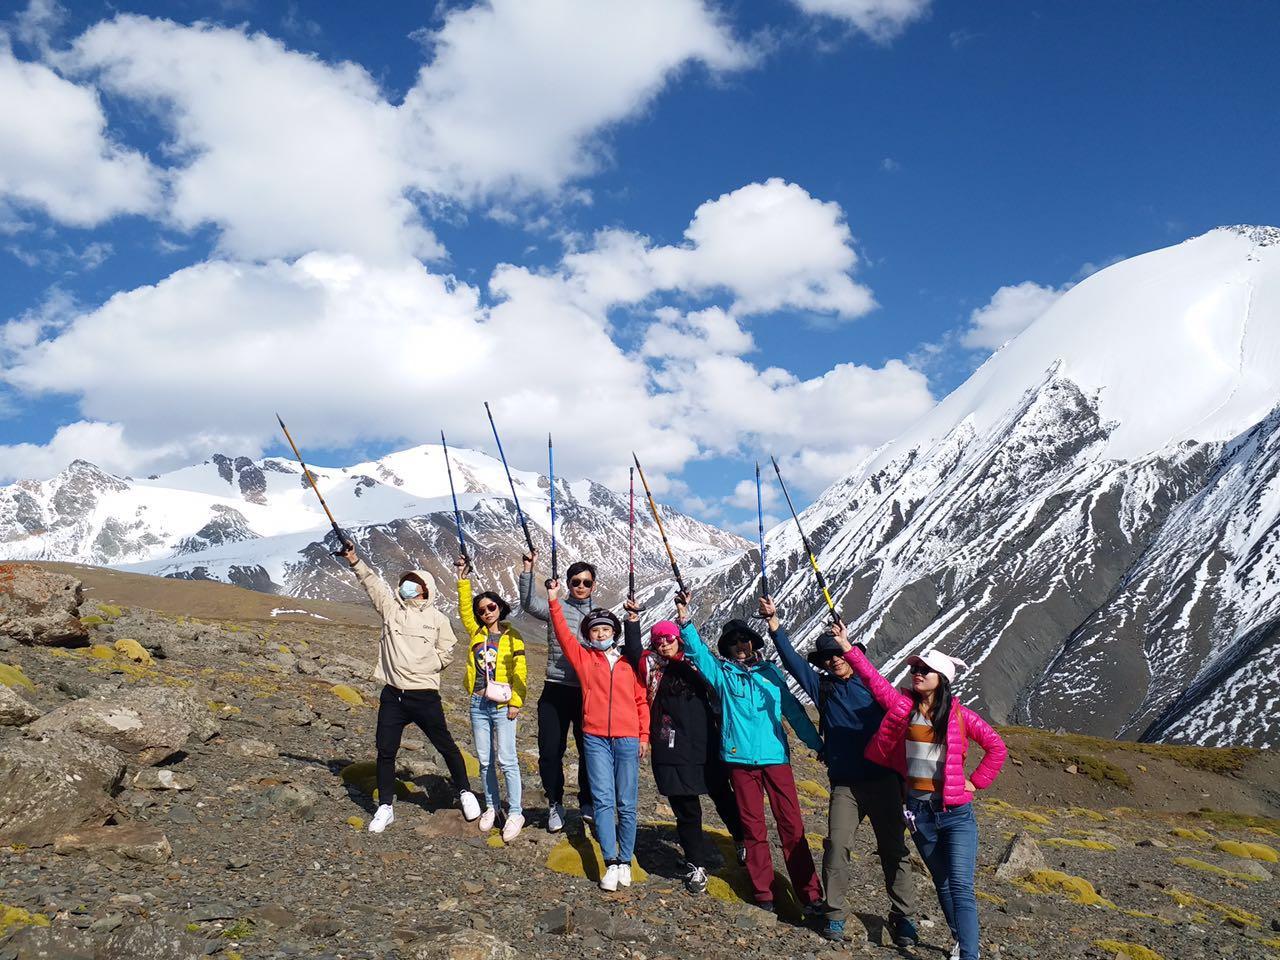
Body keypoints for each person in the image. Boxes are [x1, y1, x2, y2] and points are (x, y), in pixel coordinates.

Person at [832, 623, 1007, 960]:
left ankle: (970, 954)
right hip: (918, 811)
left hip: (955, 813)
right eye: (915, 668)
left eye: (925, 670)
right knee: (941, 881)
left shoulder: (960, 717)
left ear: (941, 678)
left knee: (960, 887)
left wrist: (977, 781)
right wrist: (847, 647)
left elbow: (996, 747)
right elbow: (874, 681)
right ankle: (958, 938)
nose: (917, 673)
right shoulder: (903, 708)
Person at [762, 597, 917, 946]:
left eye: (839, 654)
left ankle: (903, 916)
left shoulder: (874, 685)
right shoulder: (823, 687)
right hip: (846, 784)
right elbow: (791, 662)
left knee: (894, 850)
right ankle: (834, 913)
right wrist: (775, 626)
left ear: (851, 654)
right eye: (828, 657)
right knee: (836, 847)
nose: (834, 661)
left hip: (884, 781)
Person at [674, 591, 825, 916]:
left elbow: (794, 713)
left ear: (754, 643)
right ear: (727, 647)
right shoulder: (722, 675)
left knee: (792, 826)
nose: (741, 645)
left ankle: (810, 895)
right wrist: (685, 620)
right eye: (734, 641)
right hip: (739, 760)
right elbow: (698, 654)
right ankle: (764, 893)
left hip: (775, 759)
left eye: (745, 640)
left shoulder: (772, 674)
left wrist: (817, 745)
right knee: (753, 828)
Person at [338, 543, 480, 833]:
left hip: (425, 695)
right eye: (404, 583)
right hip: (393, 694)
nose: (405, 587)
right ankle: (385, 808)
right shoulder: (391, 610)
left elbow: (448, 650)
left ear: (425, 589)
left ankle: (465, 792)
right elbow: (371, 584)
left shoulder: (438, 619)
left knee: (446, 745)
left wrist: (429, 666)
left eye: (412, 584)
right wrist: (354, 561)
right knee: (385, 750)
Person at [620, 600, 745, 895]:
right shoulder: (651, 667)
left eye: (669, 638)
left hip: (705, 744)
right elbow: (635, 650)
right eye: (658, 640)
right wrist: (632, 621)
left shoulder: (698, 663)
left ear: (678, 639)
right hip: (670, 747)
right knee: (686, 809)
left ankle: (742, 839)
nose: (663, 644)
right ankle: (695, 863)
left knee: (722, 796)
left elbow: (700, 654)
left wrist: (684, 619)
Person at [546, 579, 649, 892]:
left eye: (605, 629)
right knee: (603, 800)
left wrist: (644, 735)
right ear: (588, 635)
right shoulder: (584, 660)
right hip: (595, 738)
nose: (601, 634)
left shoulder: (631, 664)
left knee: (627, 803)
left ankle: (626, 858)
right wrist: (553, 601)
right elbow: (563, 634)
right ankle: (611, 861)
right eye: (595, 630)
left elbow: (642, 701)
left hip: (628, 738)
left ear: (614, 633)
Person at [518, 551, 595, 831]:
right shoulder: (555, 607)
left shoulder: (599, 615)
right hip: (555, 687)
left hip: (587, 692)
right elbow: (528, 603)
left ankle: (588, 802)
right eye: (576, 581)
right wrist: (528, 570)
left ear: (593, 585)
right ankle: (554, 803)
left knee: (589, 750)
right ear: (568, 583)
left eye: (586, 582)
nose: (581, 587)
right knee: (550, 751)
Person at [455, 557, 528, 843]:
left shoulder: (514, 637)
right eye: (481, 609)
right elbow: (463, 609)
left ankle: (516, 812)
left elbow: (520, 670)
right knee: (484, 760)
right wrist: (463, 580)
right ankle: (492, 807)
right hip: (478, 704)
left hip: (503, 704)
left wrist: (517, 702)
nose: (486, 612)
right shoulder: (476, 634)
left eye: (491, 607)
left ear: (500, 607)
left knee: (507, 759)